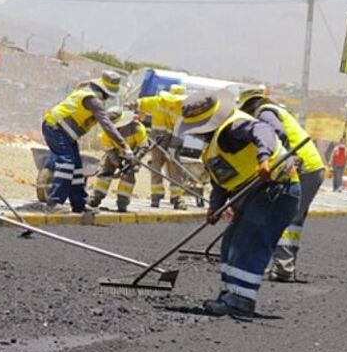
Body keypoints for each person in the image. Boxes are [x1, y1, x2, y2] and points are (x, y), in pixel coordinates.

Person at [175, 90, 301, 317]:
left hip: (276, 189)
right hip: (255, 194)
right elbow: (221, 181)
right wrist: (215, 207)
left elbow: (264, 130)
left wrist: (263, 158)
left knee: (250, 243)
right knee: (231, 242)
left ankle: (241, 301)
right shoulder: (214, 145)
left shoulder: (233, 127)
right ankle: (229, 294)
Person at [238, 87, 326, 282]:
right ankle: (285, 265)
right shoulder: (274, 110)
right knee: (294, 220)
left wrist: (284, 157)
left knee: (285, 215)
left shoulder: (264, 112)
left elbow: (279, 133)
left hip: (302, 168)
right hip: (312, 167)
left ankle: (283, 267)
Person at [42, 70, 133, 213]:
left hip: (66, 132)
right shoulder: (94, 101)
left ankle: (79, 204)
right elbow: (106, 124)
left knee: (77, 168)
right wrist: (124, 146)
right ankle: (53, 203)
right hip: (55, 128)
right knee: (67, 163)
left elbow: (82, 84)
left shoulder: (87, 90)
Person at [136, 84, 188, 210]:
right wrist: (137, 117)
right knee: (155, 166)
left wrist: (173, 147)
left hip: (174, 139)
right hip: (157, 138)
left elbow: (181, 130)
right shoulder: (157, 101)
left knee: (174, 167)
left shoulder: (184, 109)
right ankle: (156, 196)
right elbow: (139, 104)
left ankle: (176, 197)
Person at [87, 107, 147, 212]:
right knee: (106, 171)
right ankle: (95, 198)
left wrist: (134, 160)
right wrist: (119, 165)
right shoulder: (106, 133)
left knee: (128, 174)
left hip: (132, 153)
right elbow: (110, 152)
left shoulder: (137, 129)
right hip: (115, 152)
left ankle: (122, 203)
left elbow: (143, 147)